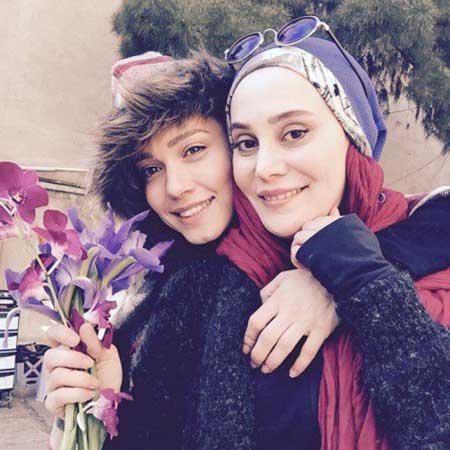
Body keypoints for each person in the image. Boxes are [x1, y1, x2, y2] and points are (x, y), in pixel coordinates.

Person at [43, 39, 450, 450]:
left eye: (194, 149)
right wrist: (96, 416)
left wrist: (344, 275)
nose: (176, 187)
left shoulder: (418, 237)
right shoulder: (188, 289)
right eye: (150, 169)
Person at [220, 17, 450, 449]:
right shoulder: (219, 280)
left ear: (352, 138)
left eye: (294, 133)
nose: (264, 167)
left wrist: (350, 275)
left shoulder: (435, 255)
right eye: (246, 143)